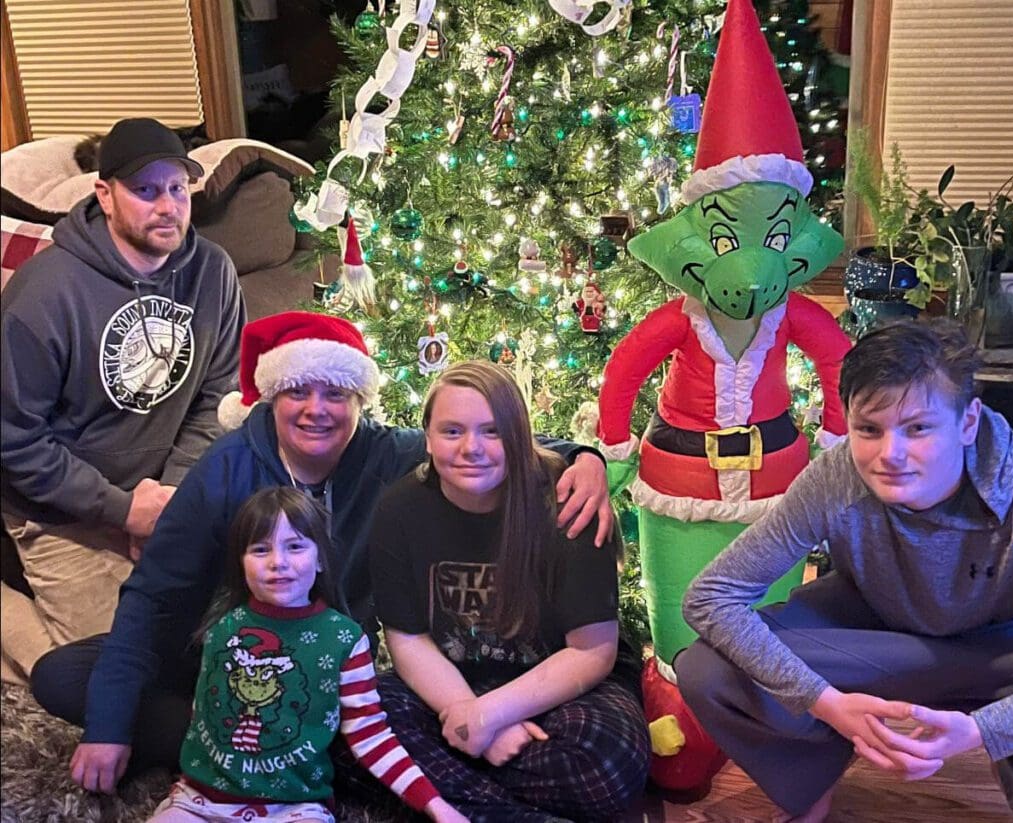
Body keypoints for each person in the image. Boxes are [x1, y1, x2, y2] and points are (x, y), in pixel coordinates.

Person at [32, 311, 612, 796]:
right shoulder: (226, 468)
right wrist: (108, 728)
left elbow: (484, 441)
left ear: (358, 400)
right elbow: (154, 599)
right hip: (221, 648)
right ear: (272, 397)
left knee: (362, 720)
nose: (317, 409)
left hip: (322, 664)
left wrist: (585, 458)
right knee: (63, 677)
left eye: (335, 393)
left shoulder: (388, 454)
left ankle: (262, 735)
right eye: (298, 392)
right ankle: (231, 733)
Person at [675, 319, 1013, 822]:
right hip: (876, 639)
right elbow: (710, 597)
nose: (891, 455)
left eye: (918, 428)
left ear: (967, 422)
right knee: (708, 672)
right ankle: (809, 781)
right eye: (869, 429)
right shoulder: (835, 477)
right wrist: (824, 702)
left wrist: (981, 730)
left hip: (1005, 654)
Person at [1, 117, 245, 687]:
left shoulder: (213, 272)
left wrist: (169, 501)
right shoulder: (44, 293)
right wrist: (122, 510)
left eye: (178, 188)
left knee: (229, 637)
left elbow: (217, 397)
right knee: (105, 677)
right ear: (105, 195)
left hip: (165, 493)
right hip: (58, 509)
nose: (167, 206)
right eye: (145, 190)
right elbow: (15, 440)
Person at [365, 361, 650, 821]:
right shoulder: (398, 509)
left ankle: (447, 801)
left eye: (492, 432)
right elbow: (407, 639)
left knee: (601, 767)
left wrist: (487, 716)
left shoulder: (568, 502)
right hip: (449, 684)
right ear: (428, 438)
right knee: (361, 720)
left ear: (518, 436)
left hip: (562, 687)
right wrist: (471, 717)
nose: (471, 448)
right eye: (452, 431)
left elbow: (591, 652)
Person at [145, 486, 465, 823]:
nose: (278, 562)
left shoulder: (344, 640)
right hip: (199, 801)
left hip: (294, 808)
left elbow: (369, 734)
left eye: (295, 546)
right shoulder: (221, 628)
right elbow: (204, 713)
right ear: (240, 562)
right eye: (260, 549)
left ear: (321, 558)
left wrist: (436, 806)